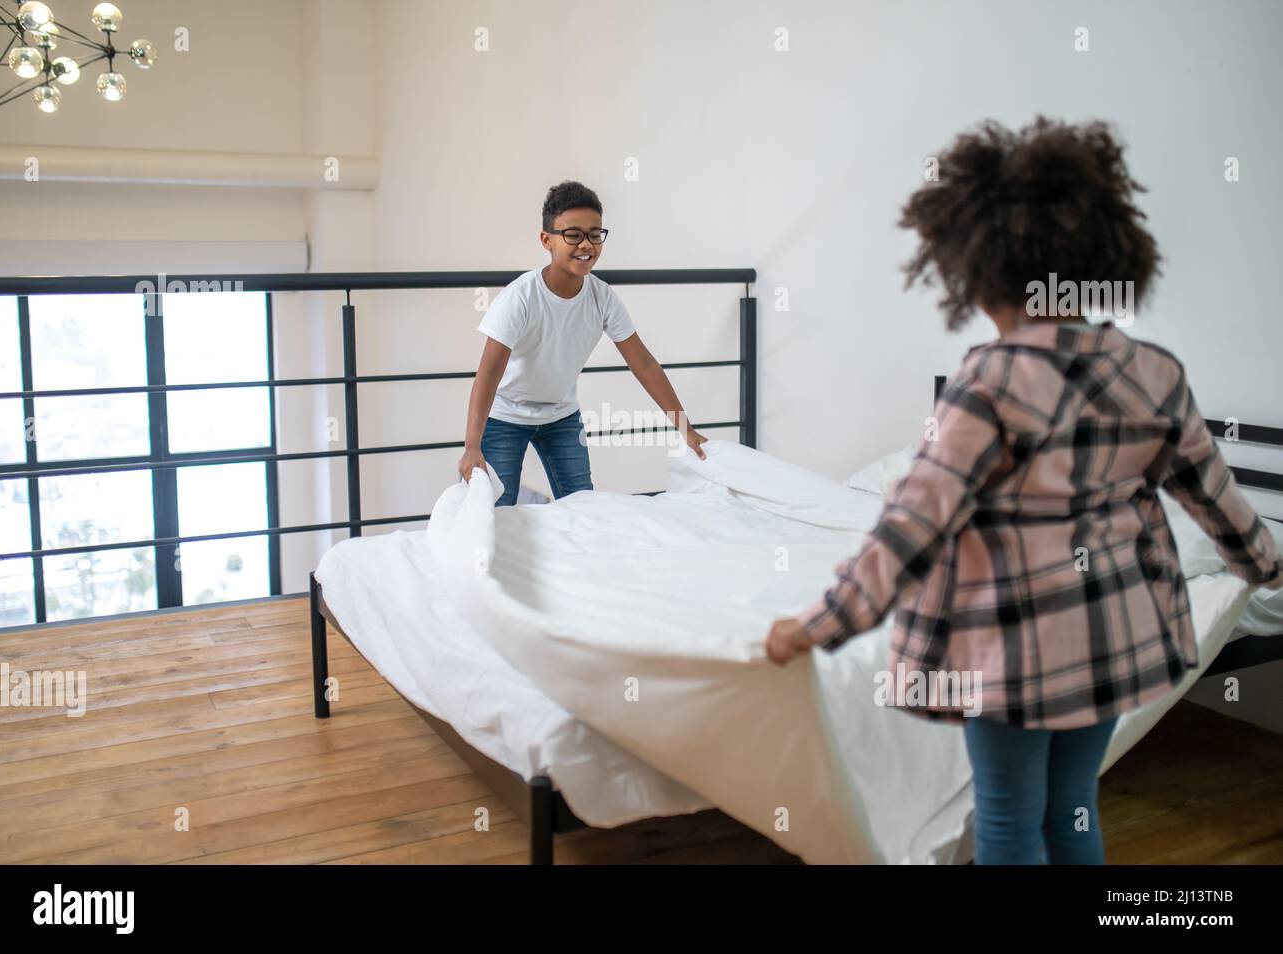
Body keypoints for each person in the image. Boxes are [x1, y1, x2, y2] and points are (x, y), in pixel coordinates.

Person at [766, 117, 1283, 864]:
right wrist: (1268, 567)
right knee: (1072, 808)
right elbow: (1217, 500)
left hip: (1011, 647)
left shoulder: (991, 383)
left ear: (979, 270)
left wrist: (819, 624)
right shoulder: (1154, 371)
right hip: (1112, 637)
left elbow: (912, 527)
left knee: (1008, 820)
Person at [459, 180, 708, 505]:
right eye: (573, 234)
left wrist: (684, 428)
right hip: (506, 415)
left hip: (561, 416)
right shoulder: (519, 298)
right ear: (546, 240)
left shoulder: (602, 298)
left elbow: (644, 365)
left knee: (583, 507)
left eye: (595, 234)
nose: (586, 244)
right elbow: (488, 373)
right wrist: (471, 446)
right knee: (493, 507)